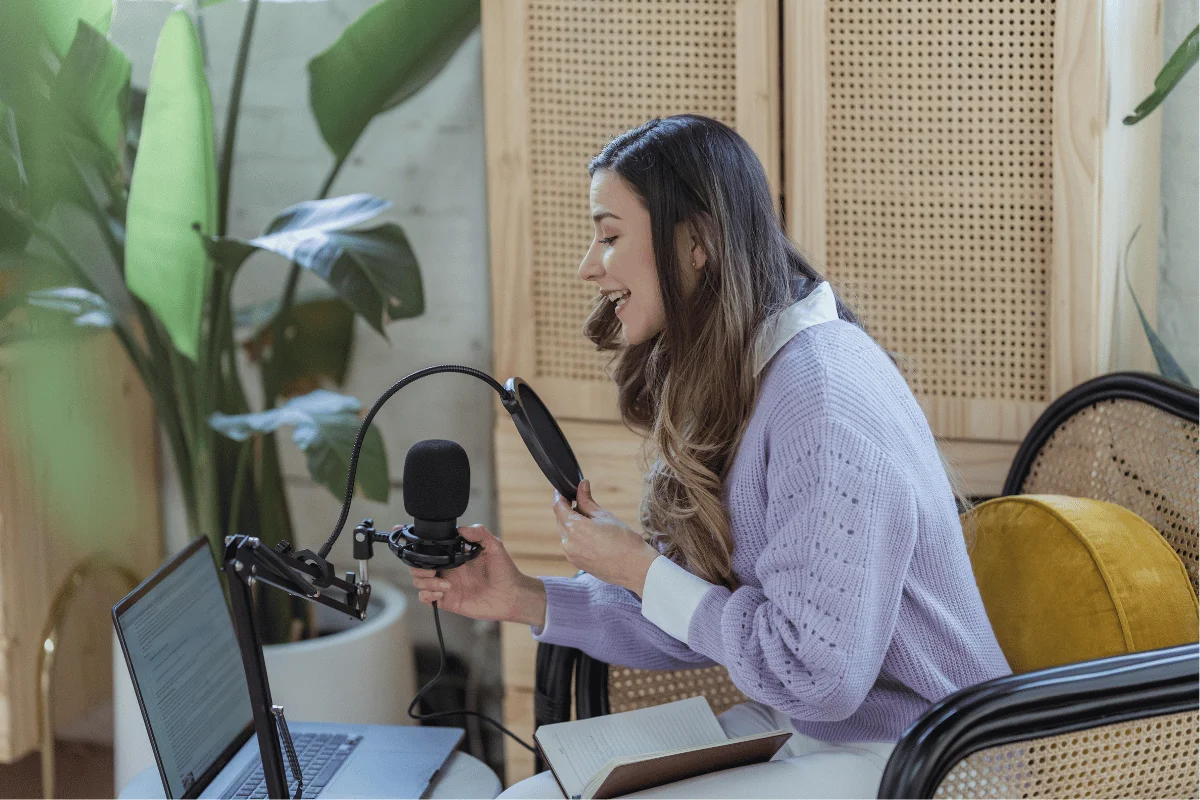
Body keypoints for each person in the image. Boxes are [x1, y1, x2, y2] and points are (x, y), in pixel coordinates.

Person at [408, 115, 1011, 798]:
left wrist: (642, 569)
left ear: (696, 241)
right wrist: (524, 597)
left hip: (922, 758)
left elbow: (818, 674)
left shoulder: (821, 399)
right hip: (811, 730)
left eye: (609, 236)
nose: (588, 265)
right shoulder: (746, 375)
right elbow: (705, 614)